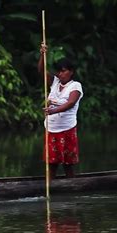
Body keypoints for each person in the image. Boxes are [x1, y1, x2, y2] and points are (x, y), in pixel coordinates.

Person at [38, 42, 84, 179]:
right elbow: (41, 71)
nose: (61, 74)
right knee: (51, 163)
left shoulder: (75, 86)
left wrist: (53, 111)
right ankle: (51, 186)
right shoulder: (54, 82)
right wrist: (42, 54)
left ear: (71, 72)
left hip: (66, 129)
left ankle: (71, 186)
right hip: (51, 128)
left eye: (64, 71)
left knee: (67, 163)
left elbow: (70, 103)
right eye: (59, 71)